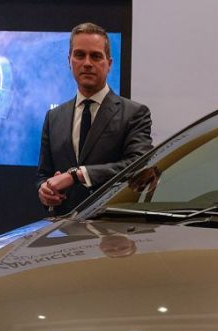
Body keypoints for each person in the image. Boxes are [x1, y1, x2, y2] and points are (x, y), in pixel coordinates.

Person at [36, 22, 153, 213]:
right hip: (61, 230)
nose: (87, 63)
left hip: (112, 231)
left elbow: (138, 167)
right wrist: (45, 190)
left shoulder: (135, 113)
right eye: (80, 55)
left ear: (109, 64)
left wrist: (78, 175)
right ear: (69, 60)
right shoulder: (53, 117)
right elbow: (43, 175)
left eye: (96, 56)